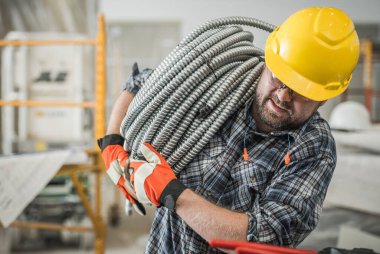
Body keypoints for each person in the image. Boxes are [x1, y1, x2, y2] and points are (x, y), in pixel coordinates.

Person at [97, 7, 359, 253]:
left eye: (301, 91)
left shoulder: (313, 146)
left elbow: (265, 236)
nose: (282, 96)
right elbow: (141, 82)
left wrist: (172, 193)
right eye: (279, 77)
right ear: (268, 62)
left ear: (323, 98)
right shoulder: (226, 76)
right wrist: (111, 143)